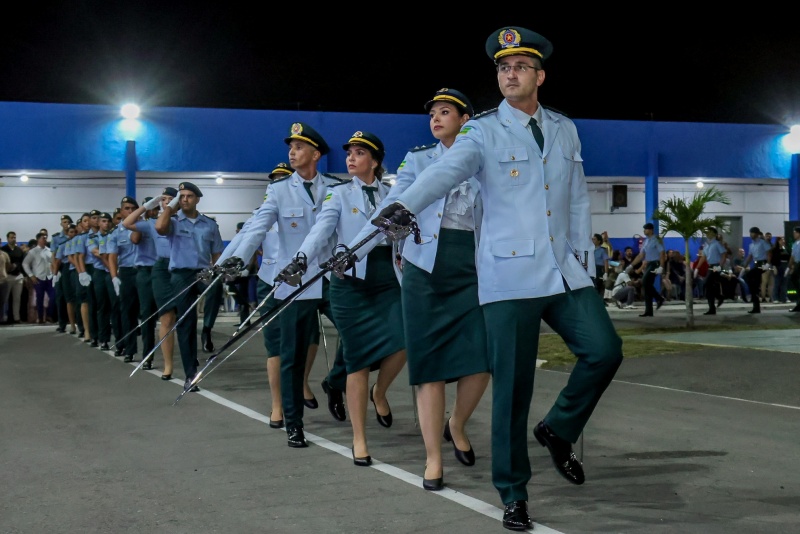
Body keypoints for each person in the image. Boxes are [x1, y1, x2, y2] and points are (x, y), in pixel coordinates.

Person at [373, 27, 623, 531]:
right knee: (512, 390)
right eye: (503, 68)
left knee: (604, 350)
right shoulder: (481, 131)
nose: (510, 74)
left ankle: (558, 428)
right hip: (508, 276)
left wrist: (583, 261)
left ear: (540, 76)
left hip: (562, 269)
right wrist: (401, 205)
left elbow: (576, 197)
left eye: (521, 67)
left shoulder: (564, 128)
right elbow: (446, 173)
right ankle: (513, 492)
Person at [348, 88, 490, 489]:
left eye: (446, 112)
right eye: (433, 113)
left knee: (482, 359)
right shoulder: (419, 158)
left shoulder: (484, 157)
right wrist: (354, 249)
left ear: (466, 119)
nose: (436, 118)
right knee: (427, 363)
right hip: (424, 266)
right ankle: (433, 458)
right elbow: (390, 205)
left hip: (474, 265)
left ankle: (457, 423)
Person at [278, 130, 407, 466]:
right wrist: (303, 257)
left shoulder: (394, 193)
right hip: (349, 281)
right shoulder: (338, 194)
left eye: (360, 153)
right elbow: (321, 230)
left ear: (375, 161)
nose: (351, 158)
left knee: (404, 340)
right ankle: (359, 439)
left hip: (386, 279)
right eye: (349, 152)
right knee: (358, 358)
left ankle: (379, 392)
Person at [219, 123, 350, 448]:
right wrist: (238, 258)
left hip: (333, 280)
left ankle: (334, 381)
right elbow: (256, 227)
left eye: (299, 147)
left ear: (316, 154)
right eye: (290, 147)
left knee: (356, 336)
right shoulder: (278, 191)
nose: (292, 152)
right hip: (297, 284)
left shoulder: (336, 187)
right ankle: (294, 423)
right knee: (291, 355)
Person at [155, 182, 223, 391]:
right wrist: (170, 206)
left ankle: (208, 330)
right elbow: (159, 227)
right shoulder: (173, 222)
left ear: (197, 199)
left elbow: (217, 254)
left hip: (203, 272)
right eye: (181, 196)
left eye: (189, 196)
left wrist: (219, 271)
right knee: (186, 323)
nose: (185, 199)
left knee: (216, 288)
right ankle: (190, 374)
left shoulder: (209, 224)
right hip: (181, 275)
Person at [124, 187, 179, 377]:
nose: (166, 203)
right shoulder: (152, 223)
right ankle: (159, 360)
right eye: (163, 200)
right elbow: (127, 223)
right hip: (160, 270)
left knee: (183, 317)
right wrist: (145, 207)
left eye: (170, 199)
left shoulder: (184, 222)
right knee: (161, 316)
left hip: (181, 269)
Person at [123, 196, 161, 369]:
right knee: (146, 315)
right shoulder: (142, 225)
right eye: (150, 208)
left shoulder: (162, 224)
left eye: (155, 208)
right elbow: (135, 239)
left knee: (166, 314)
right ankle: (146, 354)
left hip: (162, 271)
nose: (153, 211)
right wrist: (143, 214)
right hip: (144, 272)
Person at [107, 198, 141, 361]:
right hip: (127, 273)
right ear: (121, 212)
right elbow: (112, 257)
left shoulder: (145, 226)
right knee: (127, 312)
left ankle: (149, 351)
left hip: (144, 271)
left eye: (133, 208)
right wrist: (114, 277)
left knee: (147, 312)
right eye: (127, 208)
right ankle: (129, 348)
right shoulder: (115, 233)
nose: (130, 211)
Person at [628, 223, 666, 317]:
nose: (644, 231)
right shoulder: (646, 241)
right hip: (649, 264)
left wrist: (661, 266)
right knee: (647, 286)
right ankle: (649, 311)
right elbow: (641, 255)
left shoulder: (656, 240)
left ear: (651, 230)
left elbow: (662, 253)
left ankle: (659, 298)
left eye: (646, 229)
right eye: (644, 229)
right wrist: (631, 265)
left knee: (645, 282)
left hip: (655, 263)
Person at [22, 232, 56, 323]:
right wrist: (31, 275)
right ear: (38, 239)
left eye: (46, 238)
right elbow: (25, 263)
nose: (45, 240)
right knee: (39, 298)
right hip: (38, 278)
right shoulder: (33, 252)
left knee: (53, 297)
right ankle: (40, 317)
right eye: (43, 238)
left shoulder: (49, 250)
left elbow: (53, 262)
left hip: (49, 277)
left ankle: (49, 315)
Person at [693, 227, 728, 315]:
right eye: (707, 232)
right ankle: (712, 308)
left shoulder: (717, 244)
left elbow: (724, 255)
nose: (708, 234)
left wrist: (720, 266)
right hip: (710, 267)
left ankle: (719, 297)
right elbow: (703, 257)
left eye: (710, 232)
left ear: (714, 234)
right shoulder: (706, 244)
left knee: (706, 284)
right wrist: (697, 268)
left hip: (716, 266)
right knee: (709, 289)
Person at [50, 215, 73, 332]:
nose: (66, 224)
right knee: (60, 296)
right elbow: (54, 257)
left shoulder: (74, 234)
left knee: (71, 296)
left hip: (72, 265)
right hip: (61, 266)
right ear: (61, 224)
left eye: (68, 222)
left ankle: (74, 322)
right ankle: (62, 323)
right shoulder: (56, 238)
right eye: (64, 222)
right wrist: (55, 272)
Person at [742, 226, 771, 313]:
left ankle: (755, 292)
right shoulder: (751, 245)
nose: (751, 234)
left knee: (749, 275)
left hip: (762, 264)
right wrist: (744, 266)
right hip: (756, 264)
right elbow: (750, 256)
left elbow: (769, 253)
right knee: (753, 283)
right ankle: (756, 306)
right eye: (750, 233)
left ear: (757, 234)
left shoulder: (763, 243)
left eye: (753, 233)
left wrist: (768, 264)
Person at [1, 231, 26, 324]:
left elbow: (23, 263)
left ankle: (16, 317)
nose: (13, 239)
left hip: (18, 276)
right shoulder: (4, 250)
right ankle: (4, 317)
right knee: (5, 299)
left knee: (17, 298)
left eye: (14, 237)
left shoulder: (19, 250)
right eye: (11, 237)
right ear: (7, 239)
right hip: (7, 276)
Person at [591, 233, 609, 302]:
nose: (593, 241)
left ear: (599, 241)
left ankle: (600, 301)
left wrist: (606, 273)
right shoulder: (590, 250)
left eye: (594, 239)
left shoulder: (602, 250)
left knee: (599, 285)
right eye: (592, 239)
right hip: (591, 269)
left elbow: (605, 262)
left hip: (599, 269)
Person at [787, 227, 800, 313]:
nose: (794, 234)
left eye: (795, 232)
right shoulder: (795, 244)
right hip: (797, 264)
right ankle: (798, 303)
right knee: (793, 280)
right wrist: (789, 266)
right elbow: (792, 257)